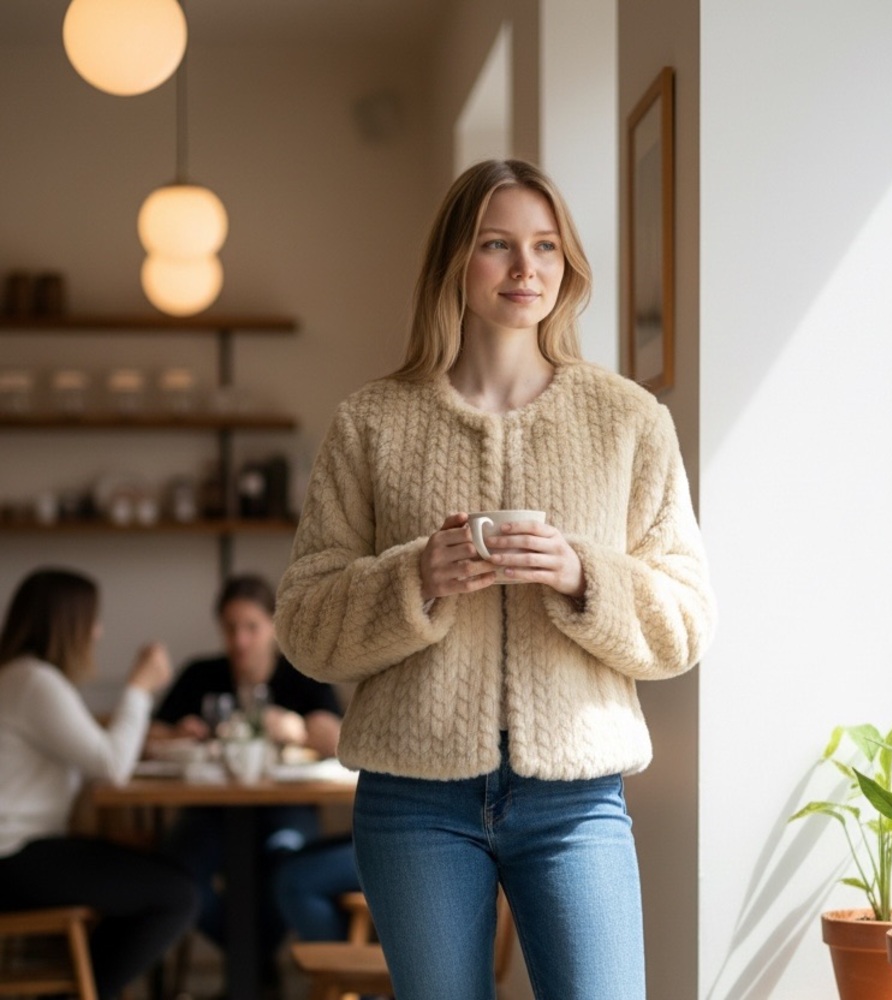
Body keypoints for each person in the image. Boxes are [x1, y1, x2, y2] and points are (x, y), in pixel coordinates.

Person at [274, 158, 716, 1000]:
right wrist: (417, 578)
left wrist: (587, 575)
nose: (527, 269)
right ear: (454, 261)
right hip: (412, 801)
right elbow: (303, 622)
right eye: (498, 245)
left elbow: (688, 621)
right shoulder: (371, 423)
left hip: (576, 802)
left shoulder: (628, 419)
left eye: (547, 246)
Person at [0, 567, 198, 1000]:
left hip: (23, 851)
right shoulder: (35, 682)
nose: (98, 630)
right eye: (92, 619)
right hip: (14, 859)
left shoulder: (24, 677)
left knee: (166, 874)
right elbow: (110, 764)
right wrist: (139, 687)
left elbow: (91, 751)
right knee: (177, 892)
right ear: (66, 623)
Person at [147, 573, 346, 987]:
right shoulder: (201, 674)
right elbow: (148, 737)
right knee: (179, 877)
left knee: (287, 870)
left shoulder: (301, 674)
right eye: (231, 628)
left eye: (251, 627)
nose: (240, 640)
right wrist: (177, 734)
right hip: (211, 810)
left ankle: (248, 973)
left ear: (273, 627)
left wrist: (299, 729)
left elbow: (340, 737)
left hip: (286, 806)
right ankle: (253, 966)